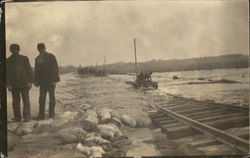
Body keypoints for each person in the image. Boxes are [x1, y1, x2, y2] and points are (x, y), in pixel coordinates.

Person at [7, 44, 33, 122]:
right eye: (13, 50)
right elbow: (6, 74)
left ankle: (27, 116)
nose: (14, 51)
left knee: (26, 101)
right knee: (15, 102)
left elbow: (29, 70)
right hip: (14, 85)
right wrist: (8, 84)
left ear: (18, 50)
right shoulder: (7, 60)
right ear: (10, 50)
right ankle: (17, 117)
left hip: (25, 84)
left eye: (16, 50)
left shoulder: (24, 58)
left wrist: (30, 82)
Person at [34, 43, 60, 120]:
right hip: (42, 83)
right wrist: (35, 81)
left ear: (45, 48)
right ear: (38, 50)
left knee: (51, 98)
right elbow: (36, 71)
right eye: (39, 49)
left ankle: (51, 115)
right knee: (41, 99)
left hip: (51, 81)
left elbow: (56, 68)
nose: (41, 50)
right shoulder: (37, 59)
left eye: (42, 48)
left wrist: (55, 80)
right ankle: (41, 115)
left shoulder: (51, 56)